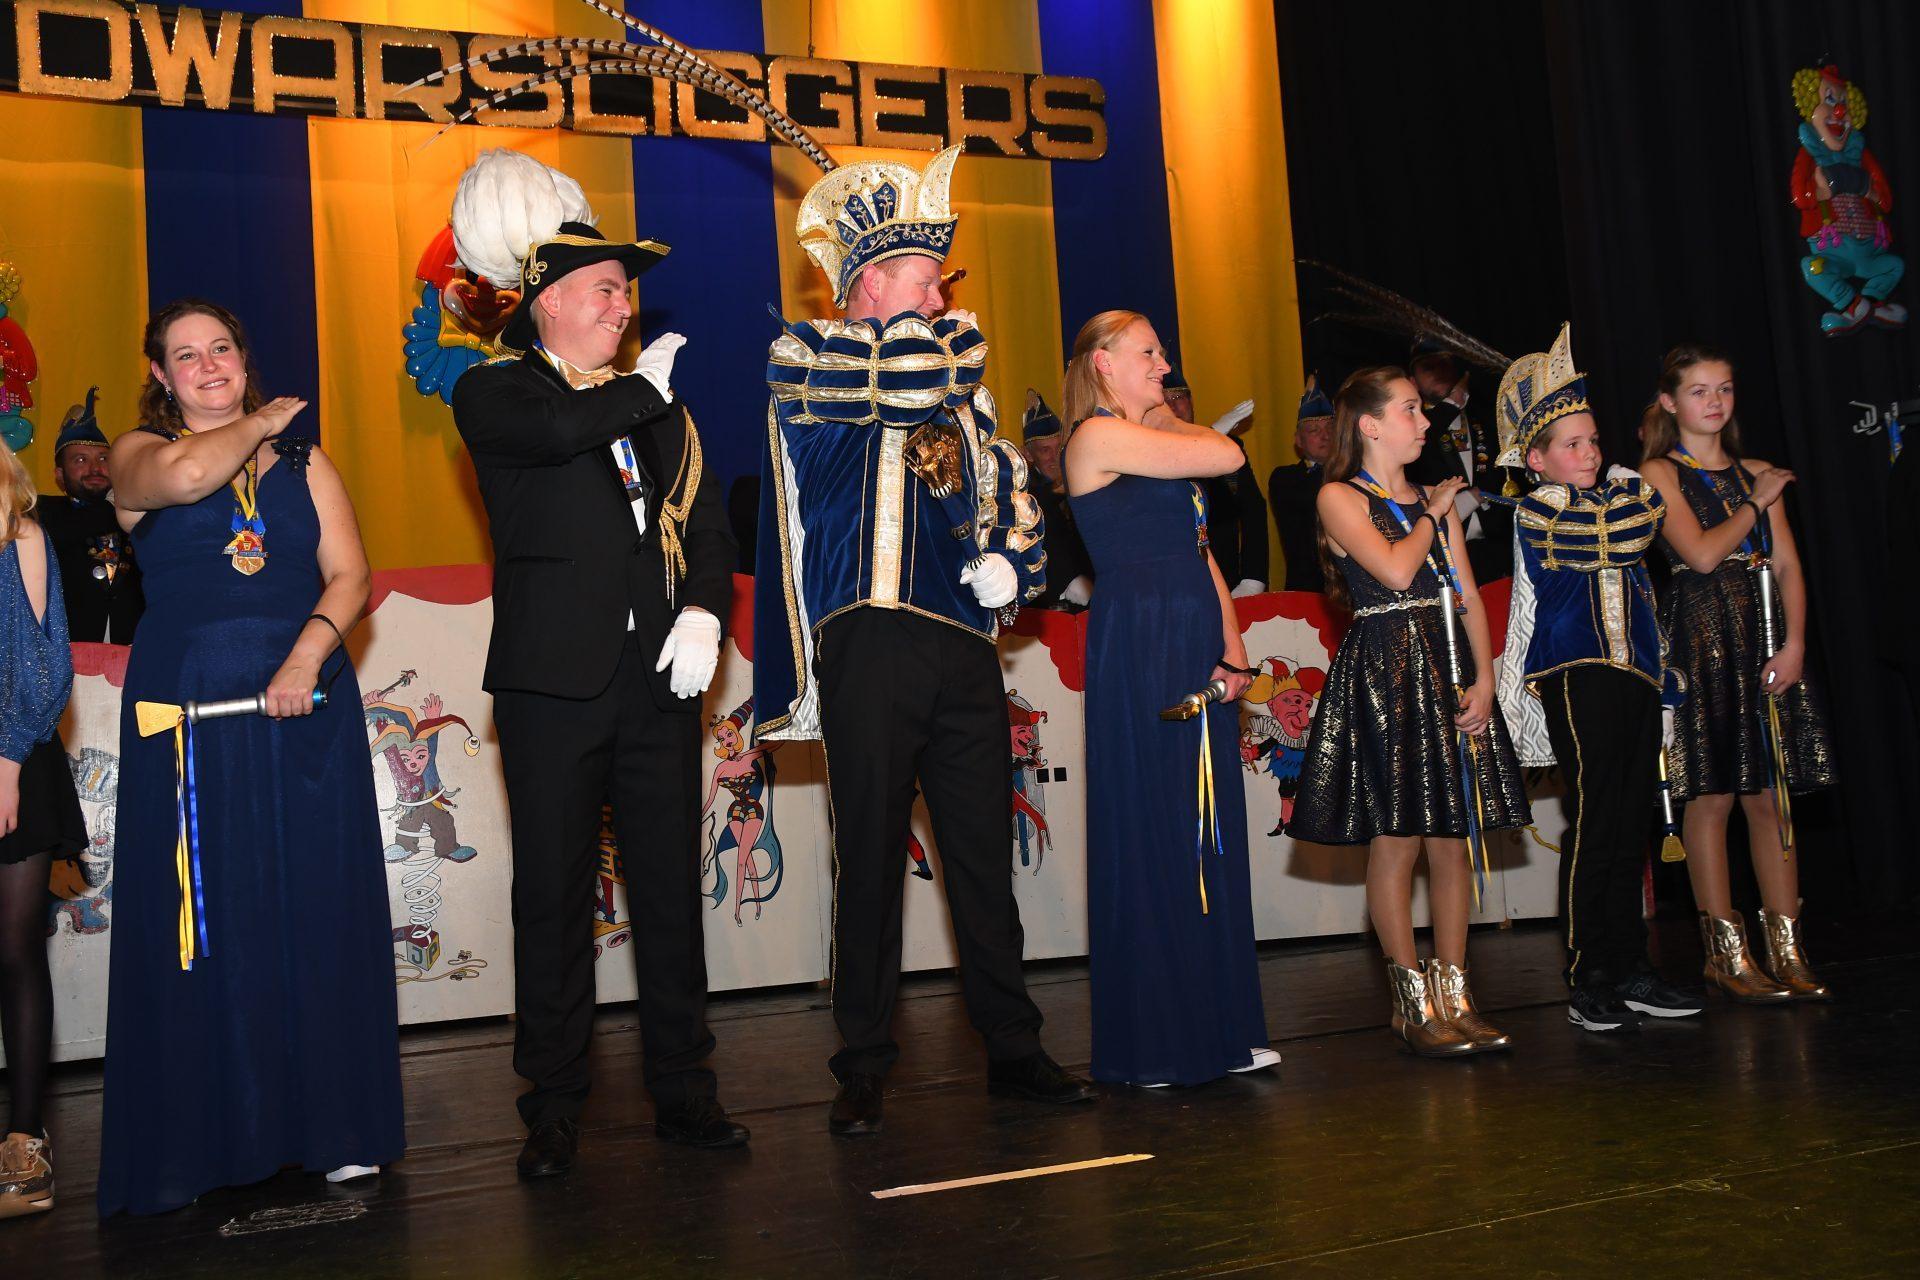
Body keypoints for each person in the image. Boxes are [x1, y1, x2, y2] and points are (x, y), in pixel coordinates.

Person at [756, 144, 1093, 1136]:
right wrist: (936, 341)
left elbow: (1011, 495)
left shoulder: (963, 397)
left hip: (961, 649)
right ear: (868, 283)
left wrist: (1011, 565)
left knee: (983, 857)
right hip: (868, 642)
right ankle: (863, 1061)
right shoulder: (815, 361)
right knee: (868, 857)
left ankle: (1014, 1047)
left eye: (940, 280)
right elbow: (896, 383)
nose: (942, 294)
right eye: (922, 275)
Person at [446, 150, 745, 1176]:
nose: (625, 306)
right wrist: (643, 393)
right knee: (554, 898)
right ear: (550, 301)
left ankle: (686, 1090)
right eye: (607, 289)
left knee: (667, 893)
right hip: (552, 688)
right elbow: (563, 429)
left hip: (656, 683)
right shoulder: (494, 391)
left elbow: (709, 525)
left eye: (625, 291)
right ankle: (554, 1104)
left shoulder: (656, 406)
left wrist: (703, 611)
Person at [96, 299, 402, 1216]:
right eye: (186, 355)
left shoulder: (307, 463)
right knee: (201, 919)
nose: (208, 365)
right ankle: (198, 1142)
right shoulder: (135, 453)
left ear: (242, 353)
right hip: (188, 720)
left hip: (304, 713)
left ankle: (338, 1128)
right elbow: (193, 473)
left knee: (315, 902)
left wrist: (307, 658)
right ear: (161, 376)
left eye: (221, 347)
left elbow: (351, 574)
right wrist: (261, 423)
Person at [1286, 367, 1529, 1056]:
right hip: (1386, 673)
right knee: (1398, 840)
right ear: (1369, 425)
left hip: (1448, 666)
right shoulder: (1338, 495)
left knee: (1453, 839)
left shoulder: (1431, 499)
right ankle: (1411, 1002)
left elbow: (1469, 596)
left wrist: (1486, 679)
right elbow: (1394, 571)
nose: (1424, 423)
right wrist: (1432, 513)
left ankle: (1456, 995)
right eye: (1411, 410)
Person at [1062, 310, 1273, 1086]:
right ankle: (1154, 1041)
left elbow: (1200, 550)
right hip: (1143, 638)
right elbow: (1226, 453)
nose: (1163, 364)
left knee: (1204, 823)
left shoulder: (1146, 440)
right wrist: (1163, 415)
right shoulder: (1096, 437)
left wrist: (1233, 646)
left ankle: (1222, 1027)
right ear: (1104, 364)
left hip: (1186, 633)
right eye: (1148, 353)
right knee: (1155, 820)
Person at [1490, 324, 1704, 1033]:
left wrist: (1663, 673)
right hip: (1578, 676)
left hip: (1636, 673)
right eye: (1572, 445)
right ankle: (1590, 975)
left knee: (1630, 821)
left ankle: (1632, 965)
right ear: (1537, 460)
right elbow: (1627, 533)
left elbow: (1642, 543)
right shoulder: (1540, 510)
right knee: (1596, 818)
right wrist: (1623, 488)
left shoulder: (1618, 493)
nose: (1590, 453)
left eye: (1594, 441)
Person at [1640, 344, 1835, 1001]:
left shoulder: (1756, 471)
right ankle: (1725, 952)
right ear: (1670, 402)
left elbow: (1789, 565)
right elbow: (1699, 555)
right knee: (1712, 795)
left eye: (1724, 388)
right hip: (1700, 639)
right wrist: (1756, 502)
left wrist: (1797, 643)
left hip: (1765, 637)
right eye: (1699, 391)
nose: (1715, 401)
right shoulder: (1659, 471)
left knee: (1769, 794)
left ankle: (1787, 946)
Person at [0, 435, 83, 1219]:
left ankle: (25, 1140)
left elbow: (44, 661)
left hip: (14, 756)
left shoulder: (19, 531)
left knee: (15, 947)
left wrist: (7, 758)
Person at [35, 389, 144, 643]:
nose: (95, 468)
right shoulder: (42, 511)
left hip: (136, 648)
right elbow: (75, 528)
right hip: (67, 649)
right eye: (80, 460)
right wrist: (119, 499)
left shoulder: (140, 512)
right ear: (60, 475)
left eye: (104, 458)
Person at [1408, 338, 1511, 582]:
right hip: (1441, 554)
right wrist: (1450, 405)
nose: (1439, 372)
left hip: (1493, 549)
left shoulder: (1483, 416)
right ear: (1412, 381)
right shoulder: (1414, 427)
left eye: (1444, 364)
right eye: (1428, 367)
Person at [1165, 367, 1267, 595]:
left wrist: (1253, 578)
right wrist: (1213, 434)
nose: (1173, 406)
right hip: (1172, 583)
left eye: (1178, 397)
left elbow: (1253, 509)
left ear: (1191, 403)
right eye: (1165, 401)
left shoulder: (1227, 447)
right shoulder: (1145, 454)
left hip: (1225, 579)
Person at [1021, 390, 1092, 609]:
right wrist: (1069, 580)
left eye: (1060, 447)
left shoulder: (1084, 480)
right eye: (1045, 450)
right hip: (1053, 604)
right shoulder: (1026, 499)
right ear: (1028, 454)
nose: (1055, 457)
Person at [1266, 375, 1333, 593]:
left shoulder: (1355, 471)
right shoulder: (1286, 478)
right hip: (1308, 592)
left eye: (1330, 428)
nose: (1325, 436)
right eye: (1314, 430)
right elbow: (1313, 499)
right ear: (1298, 440)